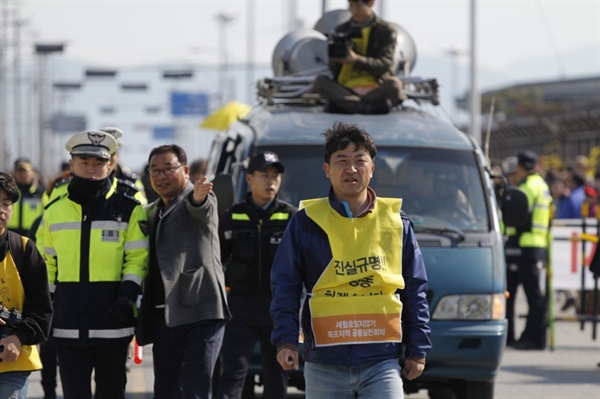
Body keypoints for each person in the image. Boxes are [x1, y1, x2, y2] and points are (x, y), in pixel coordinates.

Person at [270, 122, 431, 398]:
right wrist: (285, 340)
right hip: (323, 364)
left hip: (382, 362)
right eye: (341, 161)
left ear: (372, 168)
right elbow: (286, 285)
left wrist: (418, 349)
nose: (351, 169)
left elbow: (415, 289)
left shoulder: (397, 223)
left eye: (359, 161)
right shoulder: (305, 222)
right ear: (327, 169)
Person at [41, 130, 149, 399]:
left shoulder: (128, 208)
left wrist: (126, 297)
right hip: (67, 323)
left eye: (99, 163)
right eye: (85, 162)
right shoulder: (54, 210)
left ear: (110, 164)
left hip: (113, 321)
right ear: (72, 164)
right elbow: (46, 264)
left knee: (111, 393)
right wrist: (45, 309)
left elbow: (137, 259)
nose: (92, 169)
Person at [136, 144, 230, 399]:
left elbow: (202, 209)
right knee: (165, 391)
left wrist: (197, 197)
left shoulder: (198, 198)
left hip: (202, 312)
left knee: (195, 389)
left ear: (186, 170)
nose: (161, 175)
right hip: (165, 316)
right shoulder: (152, 210)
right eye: (155, 170)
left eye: (168, 169)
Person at [216, 152, 297, 399]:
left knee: (277, 375)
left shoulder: (291, 218)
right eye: (264, 175)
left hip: (278, 309)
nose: (271, 181)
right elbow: (217, 260)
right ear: (250, 179)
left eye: (275, 176)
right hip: (240, 308)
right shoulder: (231, 217)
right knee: (232, 372)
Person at [0, 172, 52, 399]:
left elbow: (42, 308)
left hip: (13, 362)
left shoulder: (25, 249)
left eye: (6, 204)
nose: (1, 211)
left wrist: (18, 336)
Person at [312, 0, 403, 115]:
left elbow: (383, 65)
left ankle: (349, 106)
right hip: (345, 89)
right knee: (320, 81)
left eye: (358, 6)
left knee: (394, 84)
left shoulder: (385, 31)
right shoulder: (342, 30)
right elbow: (335, 71)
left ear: (370, 3)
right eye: (351, 6)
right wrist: (336, 58)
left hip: (374, 88)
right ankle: (367, 109)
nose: (354, 11)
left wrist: (356, 59)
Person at [505, 150, 552, 350]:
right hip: (537, 245)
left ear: (520, 167)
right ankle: (532, 336)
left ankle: (530, 338)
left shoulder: (526, 187)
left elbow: (517, 216)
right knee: (535, 296)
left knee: (517, 295)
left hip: (523, 245)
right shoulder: (542, 185)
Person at [8, 158, 45, 236]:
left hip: (32, 238)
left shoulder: (41, 193)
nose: (23, 174)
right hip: (9, 238)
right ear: (14, 173)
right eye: (19, 171)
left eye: (26, 171)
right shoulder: (7, 192)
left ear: (33, 173)